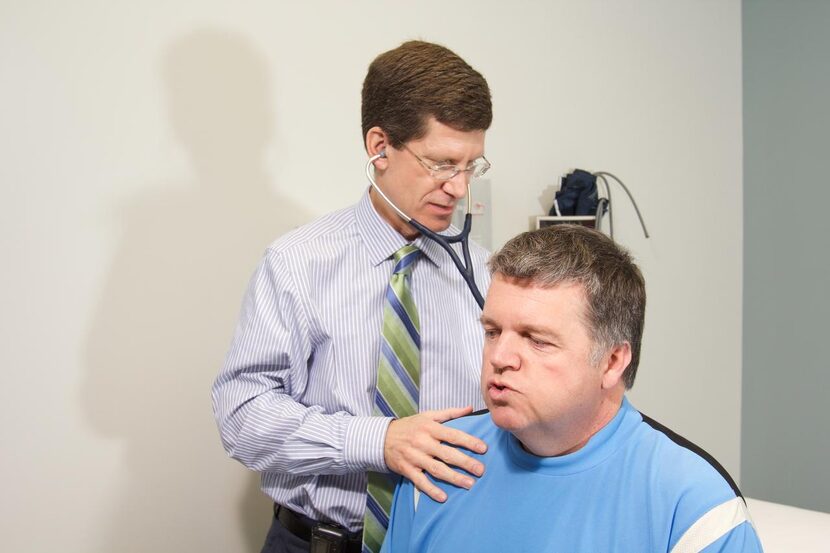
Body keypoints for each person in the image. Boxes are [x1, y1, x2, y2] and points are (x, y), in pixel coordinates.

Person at [212, 40, 494, 553]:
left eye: (472, 166)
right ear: (379, 146)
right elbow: (241, 416)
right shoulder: (296, 263)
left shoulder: (485, 273)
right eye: (442, 164)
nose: (460, 189)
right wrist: (378, 441)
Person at [381, 225, 764, 552]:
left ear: (613, 362)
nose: (500, 356)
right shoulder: (437, 459)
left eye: (537, 340)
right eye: (493, 331)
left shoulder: (694, 504)